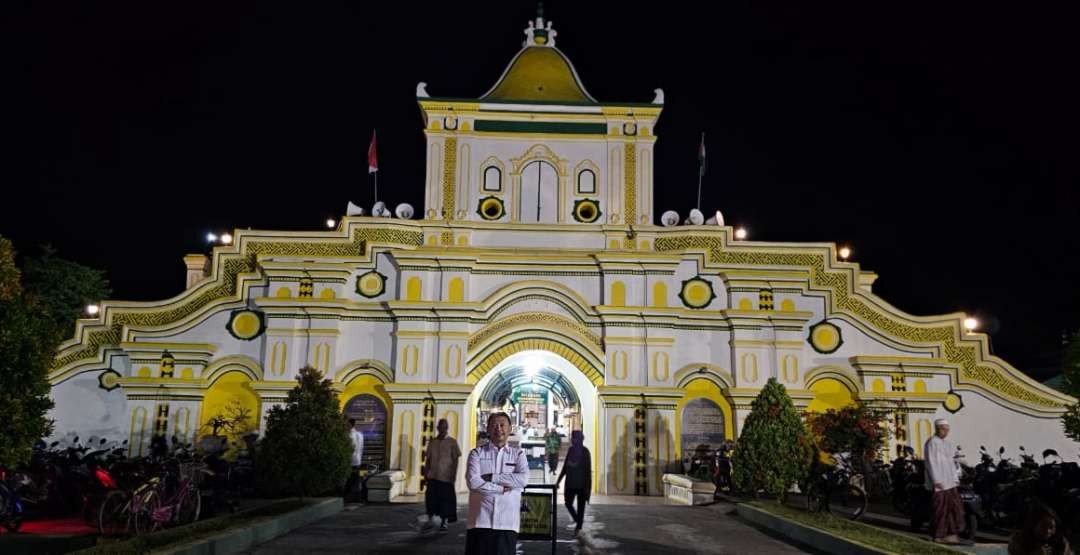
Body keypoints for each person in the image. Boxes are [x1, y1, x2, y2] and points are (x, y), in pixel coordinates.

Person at [465, 412, 529, 554]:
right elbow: (473, 482)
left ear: (510, 429)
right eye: (494, 425)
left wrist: (493, 477)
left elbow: (523, 480)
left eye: (502, 425)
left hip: (507, 523)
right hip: (480, 521)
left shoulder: (518, 454)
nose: (498, 429)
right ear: (487, 429)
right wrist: (501, 489)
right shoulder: (477, 453)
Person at [924, 418, 967, 545]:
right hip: (940, 483)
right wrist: (937, 480)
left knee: (954, 508)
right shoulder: (932, 443)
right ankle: (938, 535)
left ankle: (951, 534)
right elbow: (931, 463)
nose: (946, 432)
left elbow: (951, 462)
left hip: (950, 482)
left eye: (947, 430)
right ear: (937, 429)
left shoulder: (947, 443)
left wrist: (955, 477)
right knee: (940, 510)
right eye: (943, 429)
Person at [421, 418, 462, 533]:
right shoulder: (432, 442)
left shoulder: (452, 442)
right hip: (433, 475)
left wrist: (453, 475)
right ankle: (430, 520)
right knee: (431, 500)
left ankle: (444, 522)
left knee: (445, 501)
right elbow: (428, 459)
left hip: (446, 477)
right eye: (441, 426)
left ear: (447, 428)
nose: (443, 429)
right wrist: (426, 473)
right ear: (437, 428)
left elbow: (455, 460)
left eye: (445, 427)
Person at [556, 430, 591, 534]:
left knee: (581, 507)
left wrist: (588, 487)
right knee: (568, 503)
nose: (572, 440)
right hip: (571, 484)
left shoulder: (585, 452)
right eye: (572, 438)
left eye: (574, 438)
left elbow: (587, 471)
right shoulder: (571, 450)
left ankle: (578, 527)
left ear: (580, 439)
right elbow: (565, 467)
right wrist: (558, 481)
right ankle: (578, 520)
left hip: (581, 485)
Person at [1008, 502, 1073, 555]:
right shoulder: (1019, 541)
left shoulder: (1060, 541)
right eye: (1043, 526)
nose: (1048, 531)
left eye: (1051, 527)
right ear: (1033, 525)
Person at [344, 418, 364, 502]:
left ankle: (348, 497)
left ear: (350, 425)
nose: (345, 426)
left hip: (351, 461)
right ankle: (357, 497)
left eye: (347, 424)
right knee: (356, 479)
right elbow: (362, 448)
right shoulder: (360, 434)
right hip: (358, 461)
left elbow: (350, 447)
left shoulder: (349, 435)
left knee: (350, 479)